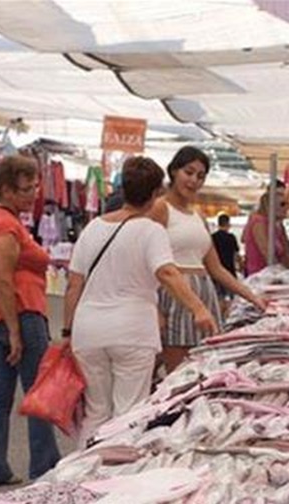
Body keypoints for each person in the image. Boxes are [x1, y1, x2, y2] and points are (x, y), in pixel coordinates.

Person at [63, 157, 218, 446]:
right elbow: (167, 273)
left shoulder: (93, 228)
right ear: (155, 193)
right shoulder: (150, 231)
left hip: (89, 331)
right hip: (132, 330)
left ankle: (79, 474)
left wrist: (67, 331)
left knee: (96, 412)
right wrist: (198, 308)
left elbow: (74, 285)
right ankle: (114, 478)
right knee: (128, 411)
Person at [0, 155, 60, 487]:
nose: (33, 194)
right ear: (7, 190)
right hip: (20, 312)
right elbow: (4, 278)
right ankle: (45, 463)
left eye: (35, 186)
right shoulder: (7, 225)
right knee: (37, 391)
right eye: (26, 189)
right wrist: (14, 330)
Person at [150, 146, 265, 372]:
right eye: (189, 172)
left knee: (204, 371)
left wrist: (252, 297)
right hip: (175, 296)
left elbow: (216, 268)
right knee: (178, 373)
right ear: (174, 171)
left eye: (200, 176)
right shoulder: (160, 208)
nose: (194, 180)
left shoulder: (198, 216)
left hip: (204, 295)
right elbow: (146, 263)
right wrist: (155, 310)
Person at [243, 187, 289, 276]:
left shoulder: (278, 225)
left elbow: (287, 254)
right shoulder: (259, 222)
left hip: (274, 275)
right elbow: (267, 254)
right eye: (283, 204)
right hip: (260, 277)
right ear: (271, 205)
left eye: (288, 204)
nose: (288, 208)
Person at [211, 213, 240, 313]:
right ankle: (229, 316)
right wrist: (240, 265)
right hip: (230, 270)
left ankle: (221, 316)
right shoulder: (231, 237)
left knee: (219, 297)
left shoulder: (213, 237)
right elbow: (236, 254)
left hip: (216, 271)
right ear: (228, 224)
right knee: (232, 298)